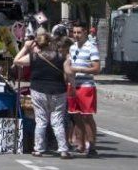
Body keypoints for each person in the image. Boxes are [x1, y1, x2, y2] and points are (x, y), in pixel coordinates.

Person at [13, 33, 74, 159]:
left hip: (39, 90)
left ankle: (39, 149)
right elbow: (69, 73)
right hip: (58, 90)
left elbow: (16, 61)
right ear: (50, 43)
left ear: (37, 44)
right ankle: (63, 149)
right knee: (57, 121)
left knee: (41, 120)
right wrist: (72, 86)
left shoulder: (34, 57)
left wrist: (25, 47)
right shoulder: (61, 56)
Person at [68, 23, 101, 157]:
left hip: (86, 85)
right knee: (76, 116)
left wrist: (79, 70)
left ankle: (92, 145)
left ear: (85, 32)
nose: (76, 35)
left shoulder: (91, 47)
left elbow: (97, 68)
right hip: (73, 85)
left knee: (87, 116)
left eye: (79, 32)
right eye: (74, 32)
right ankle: (80, 144)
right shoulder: (72, 47)